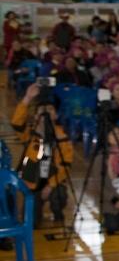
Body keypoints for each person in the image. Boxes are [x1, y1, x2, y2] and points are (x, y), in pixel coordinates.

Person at [11, 85, 75, 228]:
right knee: (32, 222)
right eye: (42, 110)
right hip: (33, 181)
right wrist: (27, 98)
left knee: (59, 195)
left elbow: (65, 165)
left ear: (56, 115)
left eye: (50, 110)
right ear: (35, 116)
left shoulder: (62, 137)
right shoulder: (30, 134)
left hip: (53, 180)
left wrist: (51, 186)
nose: (46, 113)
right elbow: (16, 123)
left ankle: (57, 210)